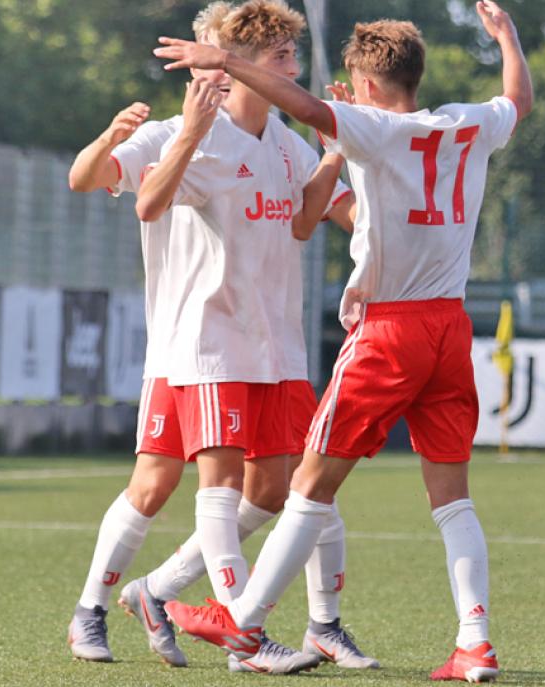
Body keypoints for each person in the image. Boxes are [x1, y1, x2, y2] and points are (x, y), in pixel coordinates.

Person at [150, 1, 532, 682]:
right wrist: (507, 38)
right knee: (453, 498)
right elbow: (517, 98)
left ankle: (247, 620)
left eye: (356, 89)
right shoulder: (469, 122)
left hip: (391, 333)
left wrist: (225, 60)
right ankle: (474, 641)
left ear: (372, 88)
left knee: (309, 482)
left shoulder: (373, 126)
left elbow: (297, 102)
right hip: (450, 326)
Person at [66, 0, 366, 674]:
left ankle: (159, 592)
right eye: (281, 57)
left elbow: (309, 221)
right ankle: (218, 627)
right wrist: (131, 137)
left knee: (277, 491)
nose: (294, 66)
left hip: (274, 346)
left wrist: (339, 158)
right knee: (164, 484)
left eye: (293, 54)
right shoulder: (185, 131)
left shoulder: (287, 142)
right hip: (197, 342)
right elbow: (103, 185)